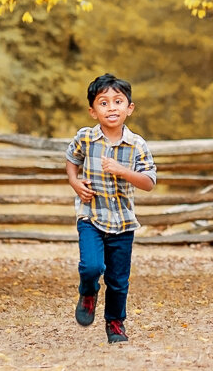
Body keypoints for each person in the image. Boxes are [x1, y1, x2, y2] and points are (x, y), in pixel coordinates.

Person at [65, 73, 158, 344]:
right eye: (103, 103)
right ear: (93, 111)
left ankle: (115, 323)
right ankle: (88, 292)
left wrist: (122, 171)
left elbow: (149, 182)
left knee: (118, 280)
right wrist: (74, 181)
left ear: (129, 108)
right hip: (91, 215)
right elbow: (71, 159)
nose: (111, 108)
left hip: (123, 222)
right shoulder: (85, 138)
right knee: (91, 266)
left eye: (118, 101)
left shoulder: (137, 145)